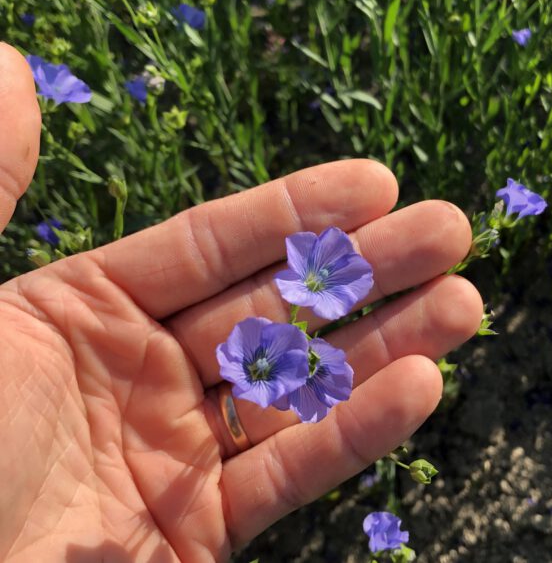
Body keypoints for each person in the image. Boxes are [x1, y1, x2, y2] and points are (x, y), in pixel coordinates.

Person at [0, 42, 483, 562]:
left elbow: (287, 350)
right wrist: (271, 368)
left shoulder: (297, 328)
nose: (316, 284)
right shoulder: (282, 322)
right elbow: (271, 352)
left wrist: (282, 366)